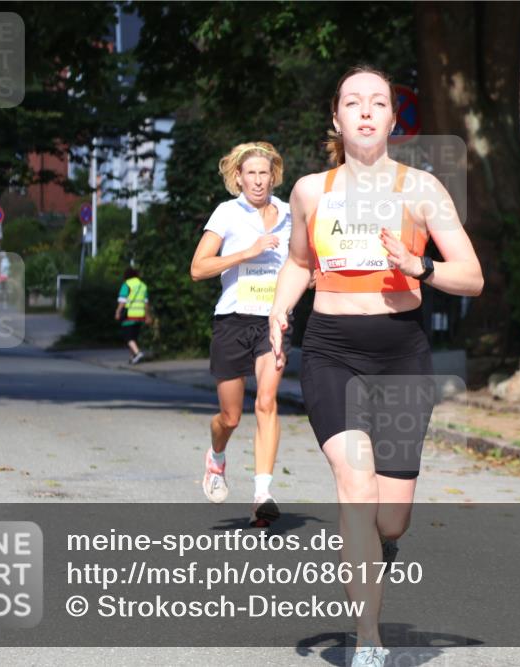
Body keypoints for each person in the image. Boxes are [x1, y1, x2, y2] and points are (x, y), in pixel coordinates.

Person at [269, 66, 483, 666]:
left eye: (378, 102)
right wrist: (280, 310)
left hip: (401, 355)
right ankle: (368, 639)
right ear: (336, 119)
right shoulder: (312, 191)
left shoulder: (422, 190)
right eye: (352, 102)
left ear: (394, 119)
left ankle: (376, 549)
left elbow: (472, 276)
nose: (365, 111)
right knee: (355, 486)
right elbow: (298, 263)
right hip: (332, 349)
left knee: (391, 519)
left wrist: (423, 270)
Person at [190, 141, 291, 528]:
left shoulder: (288, 214)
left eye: (264, 172)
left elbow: (302, 262)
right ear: (238, 178)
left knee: (267, 401)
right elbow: (198, 268)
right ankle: (216, 458)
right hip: (232, 320)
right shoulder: (227, 214)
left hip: (273, 320)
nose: (258, 179)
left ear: (274, 176)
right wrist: (245, 253)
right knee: (230, 417)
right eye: (250, 173)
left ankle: (262, 494)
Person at [114, 267, 150, 364]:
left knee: (128, 338)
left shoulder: (127, 284)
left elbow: (122, 301)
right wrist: (147, 316)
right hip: (140, 315)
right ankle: (133, 357)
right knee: (134, 337)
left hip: (129, 315)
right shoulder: (143, 285)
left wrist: (118, 312)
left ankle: (138, 353)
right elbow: (146, 303)